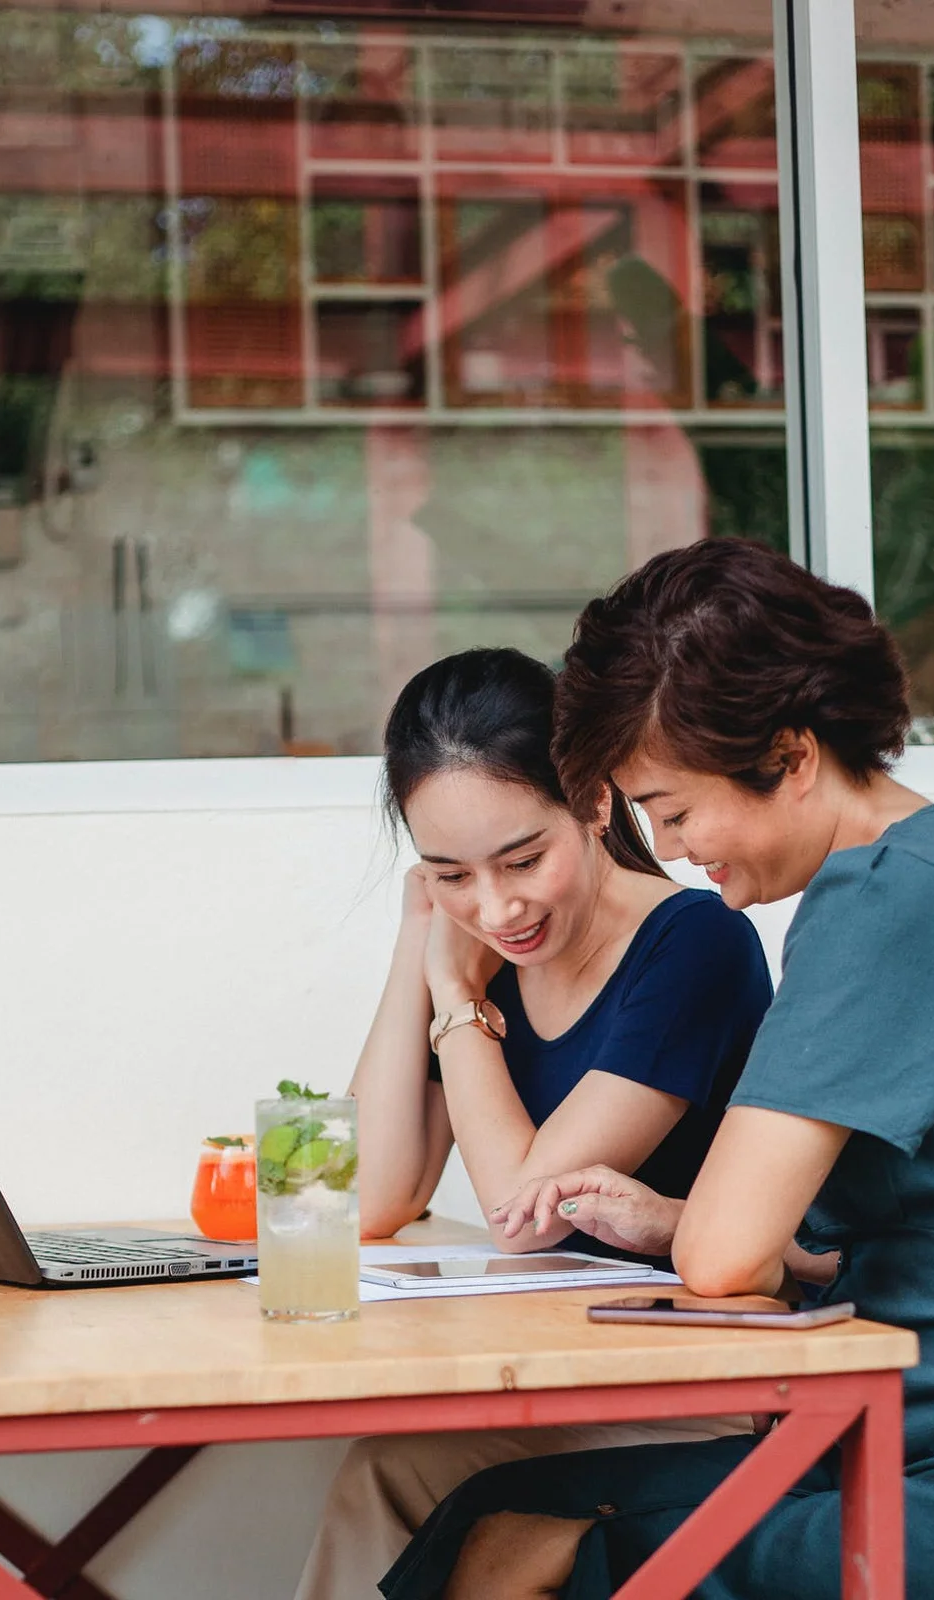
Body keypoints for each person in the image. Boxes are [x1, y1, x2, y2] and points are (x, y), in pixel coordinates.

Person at [378, 543, 934, 1600]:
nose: (673, 852)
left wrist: (695, 1230)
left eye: (674, 811)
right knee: (482, 1520)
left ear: (793, 752)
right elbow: (831, 1230)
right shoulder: (917, 867)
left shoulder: (883, 900)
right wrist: (668, 1221)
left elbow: (728, 1259)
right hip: (918, 1431)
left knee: (516, 1545)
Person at [293, 646, 774, 1600]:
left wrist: (454, 997)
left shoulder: (694, 945)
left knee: (403, 1473)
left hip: (706, 1390)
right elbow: (364, 1196)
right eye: (451, 876)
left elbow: (529, 1208)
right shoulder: (481, 949)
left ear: (596, 803)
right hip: (571, 1366)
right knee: (380, 1469)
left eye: (522, 860)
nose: (498, 907)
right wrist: (416, 952)